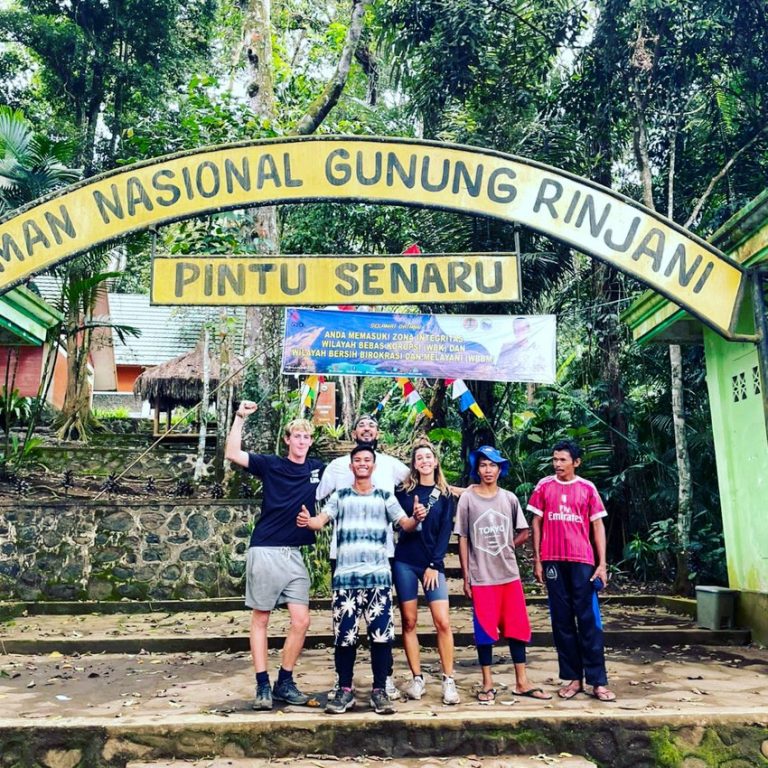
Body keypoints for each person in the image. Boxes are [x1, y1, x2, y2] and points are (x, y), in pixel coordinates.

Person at [297, 444, 425, 715]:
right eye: (358, 460)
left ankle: (380, 690)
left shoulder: (384, 497)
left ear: (374, 466)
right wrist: (308, 521)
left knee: (381, 637)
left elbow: (405, 525)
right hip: (345, 580)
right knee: (345, 638)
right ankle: (345, 690)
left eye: (367, 460)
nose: (363, 464)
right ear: (351, 466)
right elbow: (320, 521)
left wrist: (416, 517)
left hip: (378, 578)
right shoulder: (340, 496)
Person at [225, 405, 325, 711]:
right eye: (297, 435)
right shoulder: (270, 465)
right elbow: (232, 453)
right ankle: (262, 685)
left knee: (301, 620)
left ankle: (285, 681)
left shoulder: (319, 469)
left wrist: (321, 519)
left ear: (310, 441)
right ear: (287, 439)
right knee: (262, 619)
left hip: (294, 555)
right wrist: (240, 418)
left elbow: (356, 478)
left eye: (306, 436)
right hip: (266, 549)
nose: (301, 441)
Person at [315, 413, 409, 699]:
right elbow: (317, 498)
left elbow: (416, 480)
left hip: (381, 560)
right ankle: (344, 685)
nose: (367, 429)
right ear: (354, 433)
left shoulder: (391, 467)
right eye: (362, 426)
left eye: (372, 426)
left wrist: (431, 503)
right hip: (344, 561)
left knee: (382, 629)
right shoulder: (337, 469)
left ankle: (384, 683)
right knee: (345, 630)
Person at [455, 445, 551, 703]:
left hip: (509, 575)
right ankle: (487, 683)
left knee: (517, 629)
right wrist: (466, 577)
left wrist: (508, 544)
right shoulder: (468, 498)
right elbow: (463, 537)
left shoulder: (508, 498)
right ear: (477, 468)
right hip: (482, 576)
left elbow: (524, 531)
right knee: (484, 632)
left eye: (493, 465)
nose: (488, 470)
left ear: (500, 469)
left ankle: (522, 681)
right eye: (483, 465)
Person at [528, 439, 616, 702]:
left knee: (589, 622)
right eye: (555, 459)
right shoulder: (544, 486)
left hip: (582, 562)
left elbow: (598, 527)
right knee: (562, 622)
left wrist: (602, 564)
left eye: (563, 460)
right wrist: (537, 559)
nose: (557, 464)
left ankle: (598, 682)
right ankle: (573, 679)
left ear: (576, 462)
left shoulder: (587, 489)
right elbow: (536, 523)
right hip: (553, 561)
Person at [393, 442, 460, 705]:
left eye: (428, 457)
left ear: (435, 461)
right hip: (405, 561)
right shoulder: (403, 492)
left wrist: (435, 563)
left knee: (442, 621)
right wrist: (414, 515)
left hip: (432, 564)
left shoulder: (445, 495)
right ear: (414, 463)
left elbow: (445, 531)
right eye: (419, 457)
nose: (424, 461)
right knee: (409, 621)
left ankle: (448, 679)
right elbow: (400, 524)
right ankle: (417, 678)